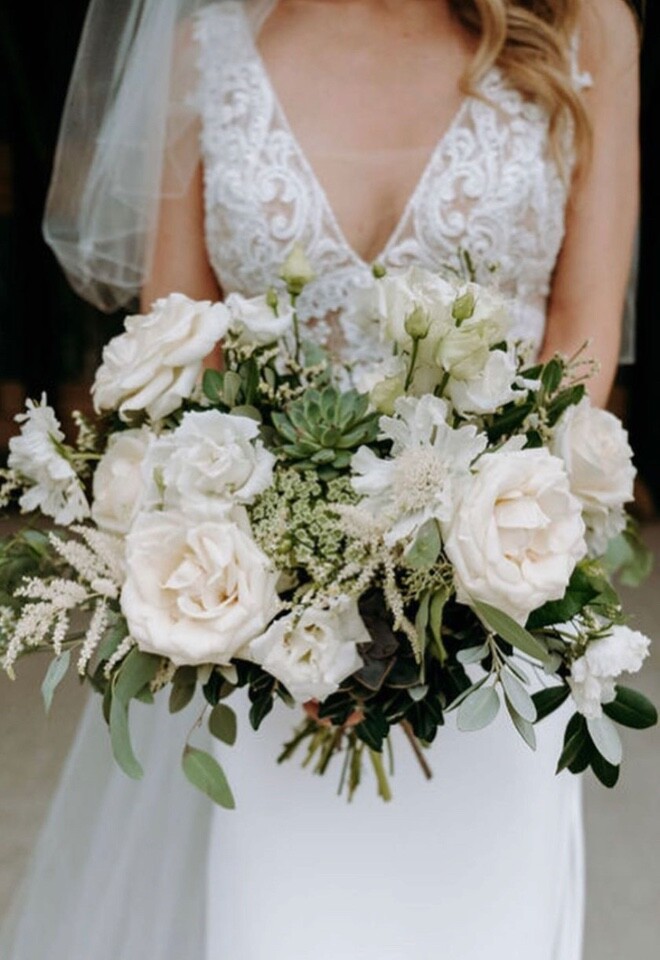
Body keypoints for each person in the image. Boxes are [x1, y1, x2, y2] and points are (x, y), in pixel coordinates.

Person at [0, 1, 640, 958]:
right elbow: (177, 350)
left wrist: (447, 595)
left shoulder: (584, 29)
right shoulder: (208, 42)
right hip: (280, 652)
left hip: (497, 635)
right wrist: (300, 598)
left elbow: (582, 348)